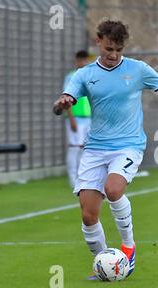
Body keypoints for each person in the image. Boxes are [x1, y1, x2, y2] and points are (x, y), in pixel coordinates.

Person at [53, 20, 158, 279]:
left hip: (128, 145)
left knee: (113, 189)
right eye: (108, 49)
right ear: (98, 42)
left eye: (118, 49)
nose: (113, 54)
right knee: (88, 214)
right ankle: (104, 263)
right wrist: (62, 103)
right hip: (95, 148)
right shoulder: (85, 74)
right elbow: (67, 98)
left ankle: (129, 247)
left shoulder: (138, 70)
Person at [63, 50, 92, 188]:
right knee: (74, 147)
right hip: (76, 118)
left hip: (88, 117)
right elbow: (66, 98)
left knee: (84, 148)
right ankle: (72, 179)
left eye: (86, 60)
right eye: (82, 60)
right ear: (77, 61)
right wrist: (71, 118)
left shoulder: (89, 76)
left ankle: (81, 178)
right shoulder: (71, 77)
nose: (84, 63)